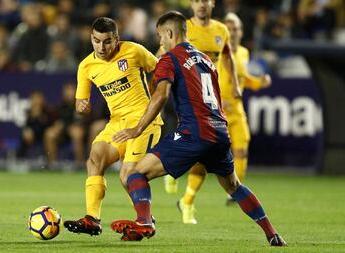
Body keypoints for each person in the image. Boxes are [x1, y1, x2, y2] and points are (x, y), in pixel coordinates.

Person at [110, 11, 286, 246]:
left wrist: (137, 129)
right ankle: (272, 233)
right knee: (233, 185)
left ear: (170, 33)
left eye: (161, 36)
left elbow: (160, 96)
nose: (160, 41)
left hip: (194, 132)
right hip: (220, 131)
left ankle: (144, 221)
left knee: (135, 174)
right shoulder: (206, 60)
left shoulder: (169, 59)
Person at [63, 17, 163, 236]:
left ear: (116, 39)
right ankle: (92, 219)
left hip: (144, 121)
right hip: (117, 123)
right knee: (95, 158)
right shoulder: (86, 66)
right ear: (91, 39)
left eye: (107, 41)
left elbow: (160, 69)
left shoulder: (134, 51)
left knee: (128, 175)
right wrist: (82, 106)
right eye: (97, 41)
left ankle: (146, 222)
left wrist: (156, 94)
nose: (102, 47)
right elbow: (81, 102)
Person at [163, 0, 241, 225]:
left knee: (204, 154)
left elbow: (227, 56)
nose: (201, 5)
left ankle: (185, 197)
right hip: (186, 97)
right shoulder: (181, 29)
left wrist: (234, 83)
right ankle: (176, 176)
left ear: (212, 3)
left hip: (209, 100)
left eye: (205, 0)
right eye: (196, 0)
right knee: (200, 149)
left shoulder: (221, 30)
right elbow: (162, 53)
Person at [223, 12, 272, 204]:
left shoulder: (243, 53)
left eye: (236, 28)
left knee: (242, 149)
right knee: (202, 156)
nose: (233, 32)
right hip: (217, 111)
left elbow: (243, 79)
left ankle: (234, 190)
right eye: (229, 28)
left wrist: (259, 82)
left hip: (236, 110)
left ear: (241, 32)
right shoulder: (217, 52)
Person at [44, 82, 86, 166]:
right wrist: (58, 125)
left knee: (77, 133)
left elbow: (87, 120)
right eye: (67, 90)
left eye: (71, 90)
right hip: (62, 133)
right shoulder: (60, 106)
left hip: (81, 132)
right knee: (49, 134)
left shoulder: (82, 104)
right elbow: (53, 121)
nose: (69, 93)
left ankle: (80, 164)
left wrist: (77, 126)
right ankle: (53, 164)